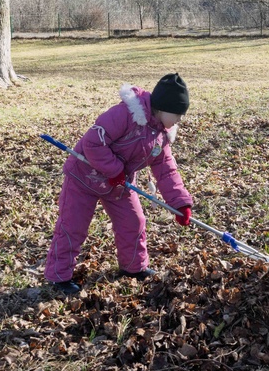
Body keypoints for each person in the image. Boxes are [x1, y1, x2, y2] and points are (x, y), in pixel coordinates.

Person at [44, 73, 194, 295]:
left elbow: (166, 170)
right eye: (178, 114)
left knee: (134, 221)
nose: (180, 120)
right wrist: (114, 170)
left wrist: (180, 203)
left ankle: (134, 267)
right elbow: (93, 143)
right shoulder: (125, 114)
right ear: (162, 108)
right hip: (83, 177)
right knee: (73, 225)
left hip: (119, 185)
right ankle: (59, 277)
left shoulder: (162, 135)